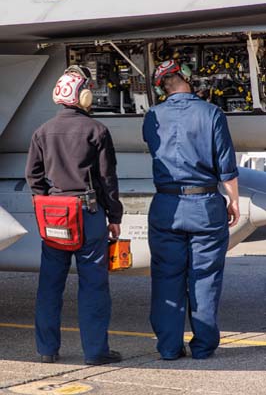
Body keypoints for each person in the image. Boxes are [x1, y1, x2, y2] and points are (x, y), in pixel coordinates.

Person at [25, 65, 123, 365]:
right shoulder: (96, 130)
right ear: (83, 96)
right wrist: (114, 216)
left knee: (50, 284)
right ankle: (95, 352)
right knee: (93, 285)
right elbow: (107, 179)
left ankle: (46, 350)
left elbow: (33, 177)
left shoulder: (41, 132)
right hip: (87, 213)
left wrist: (47, 202)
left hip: (54, 216)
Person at [143, 60, 240, 360]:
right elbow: (226, 165)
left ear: (161, 89)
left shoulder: (152, 116)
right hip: (205, 206)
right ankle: (202, 347)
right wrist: (233, 200)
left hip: (166, 206)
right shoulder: (212, 113)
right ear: (187, 77)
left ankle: (170, 348)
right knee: (205, 277)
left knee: (166, 277)